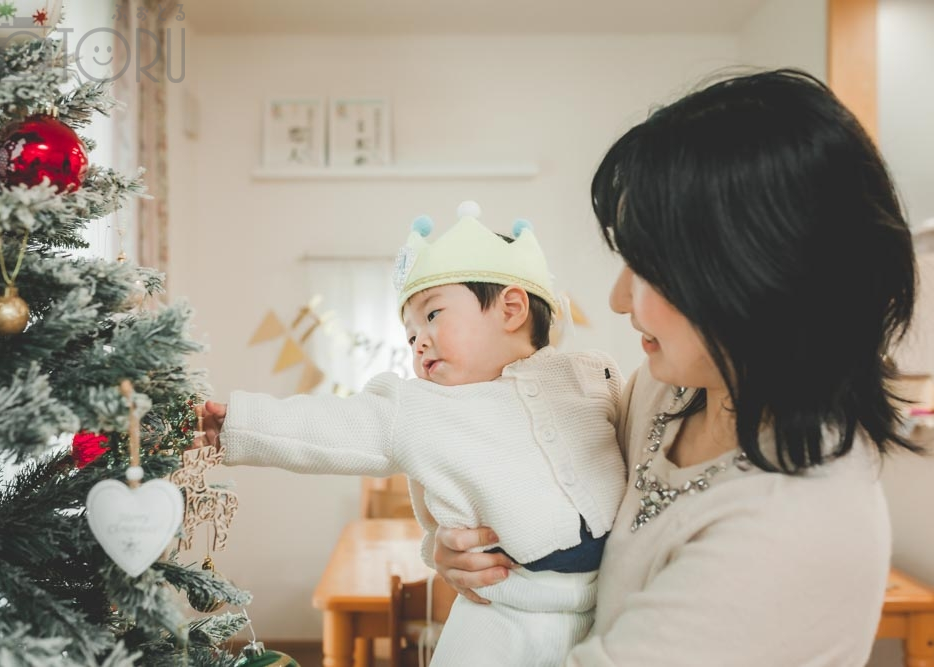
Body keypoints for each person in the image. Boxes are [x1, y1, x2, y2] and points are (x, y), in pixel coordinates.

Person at [429, 69, 920, 666]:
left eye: (646, 267)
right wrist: (479, 549)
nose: (617, 299)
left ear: (754, 270)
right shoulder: (668, 390)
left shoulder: (794, 524)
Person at [202, 202, 627, 666]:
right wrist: (237, 422)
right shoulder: (419, 406)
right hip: (502, 614)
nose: (418, 341)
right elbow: (333, 425)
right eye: (409, 336)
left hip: (604, 611)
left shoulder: (589, 375)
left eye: (433, 315)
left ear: (511, 309)